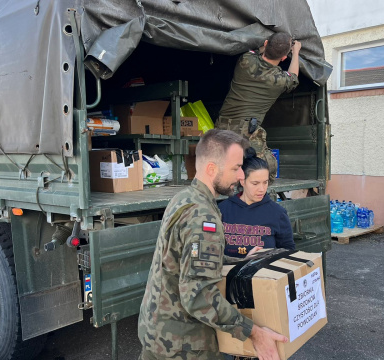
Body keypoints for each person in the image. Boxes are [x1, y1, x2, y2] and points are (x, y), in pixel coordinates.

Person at [138, 129, 288, 360]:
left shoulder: (185, 198)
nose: (241, 176)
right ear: (211, 169)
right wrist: (253, 333)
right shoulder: (203, 217)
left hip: (159, 332)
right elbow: (197, 296)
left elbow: (187, 261)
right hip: (183, 346)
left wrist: (244, 260)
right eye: (235, 168)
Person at [216, 32, 302, 181]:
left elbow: (258, 50)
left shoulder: (245, 61)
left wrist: (271, 45)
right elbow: (293, 78)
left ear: (266, 43)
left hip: (221, 128)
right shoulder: (280, 80)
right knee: (268, 169)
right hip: (245, 133)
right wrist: (296, 53)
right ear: (283, 58)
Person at [219, 148, 295, 258]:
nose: (262, 189)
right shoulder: (223, 210)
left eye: (265, 182)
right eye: (255, 183)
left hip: (263, 274)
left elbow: (288, 251)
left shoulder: (277, 213)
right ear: (242, 181)